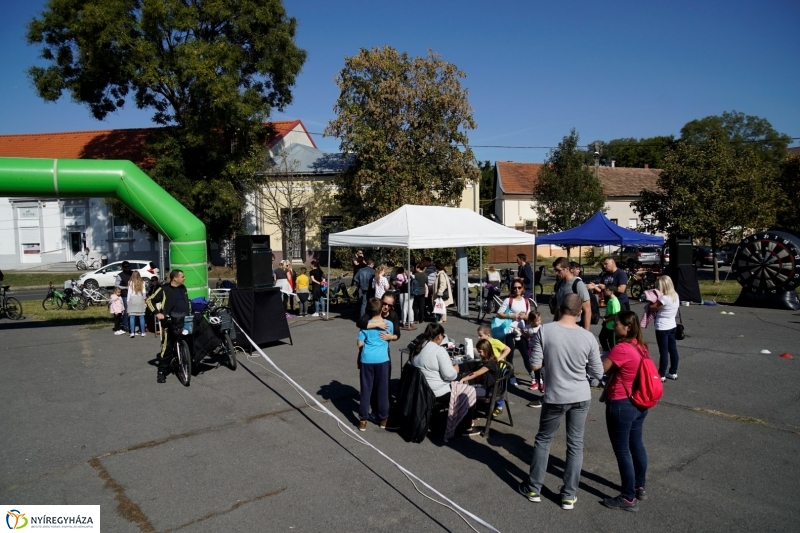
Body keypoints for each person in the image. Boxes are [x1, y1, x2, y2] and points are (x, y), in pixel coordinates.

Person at [519, 294, 604, 510]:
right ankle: (568, 494)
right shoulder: (587, 337)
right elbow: (598, 372)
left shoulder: (545, 331)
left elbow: (535, 365)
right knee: (575, 444)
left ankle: (534, 488)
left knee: (544, 440)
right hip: (580, 395)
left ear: (558, 308)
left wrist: (552, 359)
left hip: (556, 395)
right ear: (580, 312)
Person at [601, 310, 652, 512]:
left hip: (621, 402)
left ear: (627, 327)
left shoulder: (621, 348)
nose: (615, 327)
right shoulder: (640, 346)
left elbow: (600, 369)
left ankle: (628, 497)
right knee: (636, 446)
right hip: (639, 402)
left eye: (617, 324)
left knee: (622, 451)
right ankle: (639, 486)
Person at [411, 324, 476, 436]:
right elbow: (449, 375)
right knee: (468, 391)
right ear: (440, 336)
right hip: (436, 391)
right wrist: (455, 369)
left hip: (420, 388)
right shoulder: (438, 350)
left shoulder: (418, 347)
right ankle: (467, 426)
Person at [146, 270, 190, 384]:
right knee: (167, 347)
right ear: (175, 278)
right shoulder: (164, 289)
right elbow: (149, 300)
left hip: (183, 320)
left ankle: (187, 363)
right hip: (169, 321)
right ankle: (161, 371)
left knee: (188, 341)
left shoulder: (183, 288)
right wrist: (157, 313)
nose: (184, 278)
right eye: (182, 276)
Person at [357, 298, 393, 431]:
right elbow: (390, 337)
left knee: (366, 389)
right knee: (383, 389)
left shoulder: (365, 325)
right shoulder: (388, 323)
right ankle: (384, 418)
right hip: (382, 359)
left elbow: (359, 343)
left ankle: (363, 420)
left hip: (367, 359)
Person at [495, 280, 533, 387]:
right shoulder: (508, 300)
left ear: (523, 289)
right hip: (510, 331)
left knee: (526, 355)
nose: (517, 290)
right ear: (512, 289)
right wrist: (512, 316)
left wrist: (524, 317)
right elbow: (499, 313)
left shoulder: (526, 301)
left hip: (521, 332)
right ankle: (511, 376)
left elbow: (529, 317)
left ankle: (533, 376)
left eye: (519, 287)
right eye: (515, 288)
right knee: (510, 356)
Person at [651, 275, 680, 381]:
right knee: (673, 350)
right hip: (672, 325)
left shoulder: (664, 298)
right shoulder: (675, 295)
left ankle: (662, 374)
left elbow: (653, 307)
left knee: (663, 352)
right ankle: (673, 371)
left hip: (662, 326)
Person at [552, 257, 592, 330]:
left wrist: (586, 332)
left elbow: (588, 310)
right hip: (560, 326)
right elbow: (558, 307)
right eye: (555, 270)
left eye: (558, 270)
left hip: (574, 326)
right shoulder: (559, 284)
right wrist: (554, 324)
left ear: (567, 269)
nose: (556, 273)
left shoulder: (578, 284)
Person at [599, 284, 620, 352]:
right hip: (607, 324)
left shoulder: (614, 302)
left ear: (612, 291)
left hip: (612, 326)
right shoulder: (610, 300)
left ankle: (613, 355)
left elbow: (616, 315)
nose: (604, 291)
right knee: (602, 337)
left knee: (612, 343)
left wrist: (607, 320)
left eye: (606, 290)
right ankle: (607, 352)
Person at [127, 271, 147, 338]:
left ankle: (132, 332)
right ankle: (143, 332)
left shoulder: (130, 283)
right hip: (140, 299)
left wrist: (127, 300)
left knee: (132, 316)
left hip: (132, 299)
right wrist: (144, 299)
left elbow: (129, 293)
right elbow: (144, 292)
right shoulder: (142, 282)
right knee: (141, 316)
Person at [114, 261, 133, 331]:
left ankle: (132, 325)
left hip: (133, 294)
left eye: (128, 266)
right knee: (126, 310)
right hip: (125, 294)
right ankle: (126, 325)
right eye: (125, 267)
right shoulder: (120, 275)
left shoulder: (132, 273)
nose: (127, 268)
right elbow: (116, 285)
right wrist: (125, 287)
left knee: (133, 310)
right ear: (123, 267)